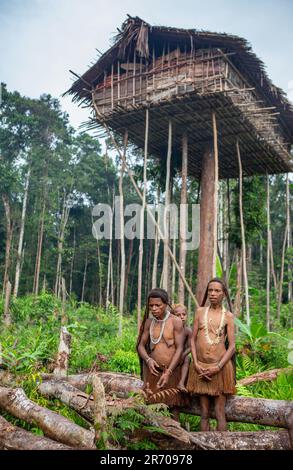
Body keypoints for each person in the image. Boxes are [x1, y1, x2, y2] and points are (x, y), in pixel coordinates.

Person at [187, 278, 236, 431]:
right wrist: (195, 363)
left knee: (220, 413)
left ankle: (222, 445)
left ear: (223, 294)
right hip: (200, 368)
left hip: (220, 369)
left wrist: (218, 367)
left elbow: (232, 346)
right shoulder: (200, 312)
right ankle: (205, 445)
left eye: (217, 291)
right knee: (204, 413)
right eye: (210, 290)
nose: (213, 294)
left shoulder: (228, 316)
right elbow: (192, 340)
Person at [137, 288, 185, 407]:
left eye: (157, 305)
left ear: (166, 304)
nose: (154, 308)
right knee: (153, 408)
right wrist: (148, 360)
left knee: (173, 408)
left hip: (172, 373)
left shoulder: (176, 321)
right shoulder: (149, 322)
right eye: (151, 305)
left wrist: (169, 372)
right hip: (153, 373)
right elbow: (140, 346)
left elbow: (180, 349)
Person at [172, 304, 192, 391]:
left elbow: (191, 347)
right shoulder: (170, 328)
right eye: (178, 315)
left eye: (184, 314)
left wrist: (183, 355)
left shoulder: (187, 331)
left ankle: (181, 382)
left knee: (187, 358)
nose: (182, 317)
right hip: (170, 355)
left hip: (182, 356)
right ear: (173, 316)